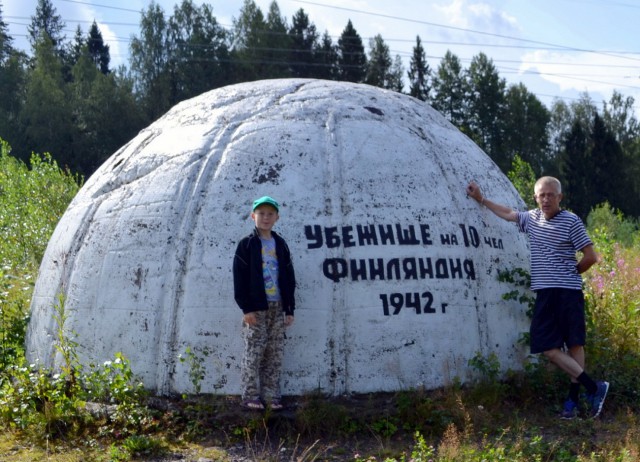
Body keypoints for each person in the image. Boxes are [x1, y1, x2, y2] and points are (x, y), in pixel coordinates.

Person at [466, 176, 608, 419]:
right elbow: (509, 213)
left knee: (574, 344)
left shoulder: (571, 221)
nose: (546, 199)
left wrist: (571, 272)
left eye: (551, 194)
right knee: (547, 346)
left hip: (568, 292)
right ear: (535, 198)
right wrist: (481, 199)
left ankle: (572, 402)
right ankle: (595, 388)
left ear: (560, 197)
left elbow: (590, 257)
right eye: (541, 195)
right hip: (545, 293)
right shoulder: (532, 219)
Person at [233, 196, 296, 411]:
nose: (266, 217)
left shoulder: (280, 244)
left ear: (277, 217)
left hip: (278, 306)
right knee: (254, 351)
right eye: (261, 213)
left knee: (275, 352)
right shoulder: (247, 244)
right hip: (257, 307)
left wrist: (289, 308)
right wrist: (246, 308)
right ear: (253, 216)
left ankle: (271, 396)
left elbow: (289, 276)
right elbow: (239, 278)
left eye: (270, 213)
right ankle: (250, 395)